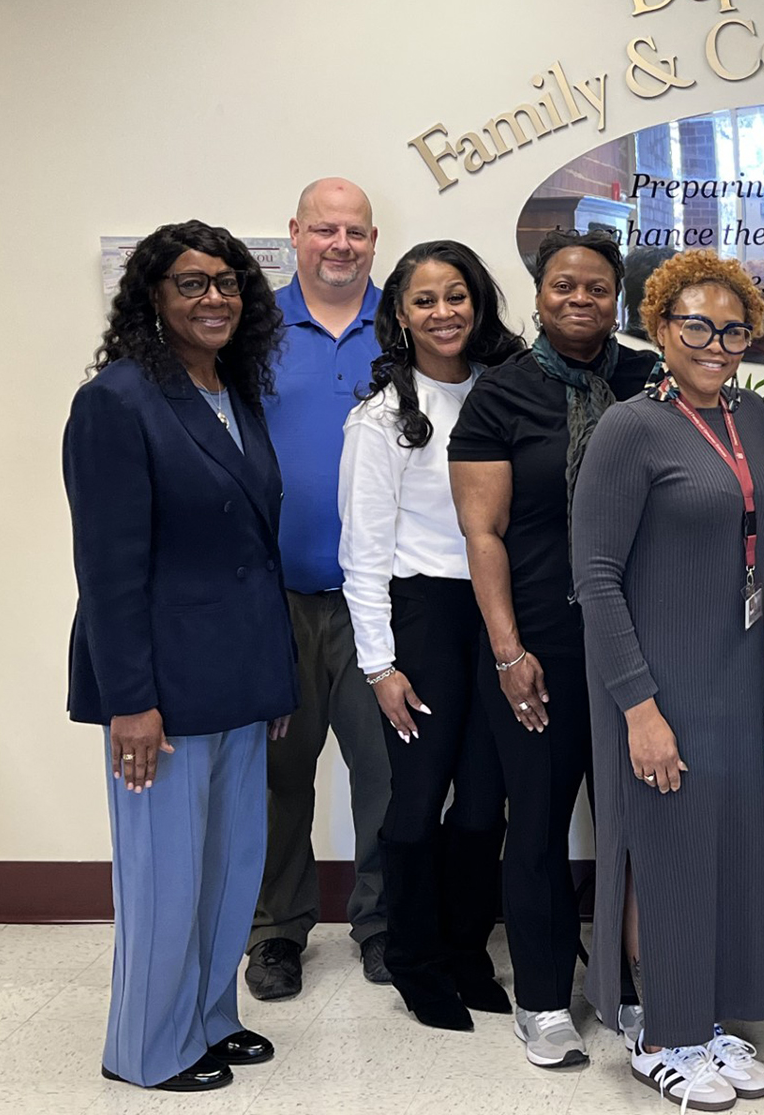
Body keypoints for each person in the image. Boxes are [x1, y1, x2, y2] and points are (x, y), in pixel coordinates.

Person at [65, 222, 296, 1091]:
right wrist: (131, 700)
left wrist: (271, 672)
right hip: (158, 687)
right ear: (151, 298)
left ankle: (206, 1018)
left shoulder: (234, 392)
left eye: (228, 283)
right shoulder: (117, 402)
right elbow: (109, 569)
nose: (215, 299)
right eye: (192, 284)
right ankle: (145, 1049)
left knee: (230, 866)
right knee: (165, 876)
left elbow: (255, 550)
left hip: (237, 673)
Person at [573, 251, 764, 1112]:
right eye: (696, 326)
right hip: (653, 673)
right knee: (660, 846)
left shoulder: (752, 414)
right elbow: (593, 575)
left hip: (733, 669)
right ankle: (662, 1032)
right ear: (660, 328)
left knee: (727, 844)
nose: (717, 343)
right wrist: (639, 708)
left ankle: (708, 1017)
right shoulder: (630, 426)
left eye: (733, 329)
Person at [448, 228, 658, 1068]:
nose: (581, 300)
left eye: (598, 288)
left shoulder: (650, 379)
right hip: (538, 644)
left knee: (636, 822)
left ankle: (632, 984)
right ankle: (541, 999)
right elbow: (483, 532)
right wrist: (507, 650)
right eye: (564, 286)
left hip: (639, 644)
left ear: (618, 299)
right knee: (535, 822)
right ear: (537, 295)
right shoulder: (501, 395)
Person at [338, 240, 524, 1031]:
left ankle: (465, 951)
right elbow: (363, 552)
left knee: (485, 803)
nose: (443, 312)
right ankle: (415, 960)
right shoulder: (381, 417)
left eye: (457, 296)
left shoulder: (504, 393)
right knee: (416, 805)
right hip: (423, 618)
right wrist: (379, 665)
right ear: (401, 315)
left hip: (499, 614)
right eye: (425, 300)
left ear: (477, 304)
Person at [246, 177, 391, 1001]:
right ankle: (276, 935)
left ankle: (382, 925)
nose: (341, 244)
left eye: (357, 232)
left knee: (387, 775)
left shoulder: (405, 323)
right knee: (279, 776)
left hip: (381, 604)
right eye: (325, 229)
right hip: (276, 599)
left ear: (375, 240)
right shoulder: (250, 328)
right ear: (295, 232)